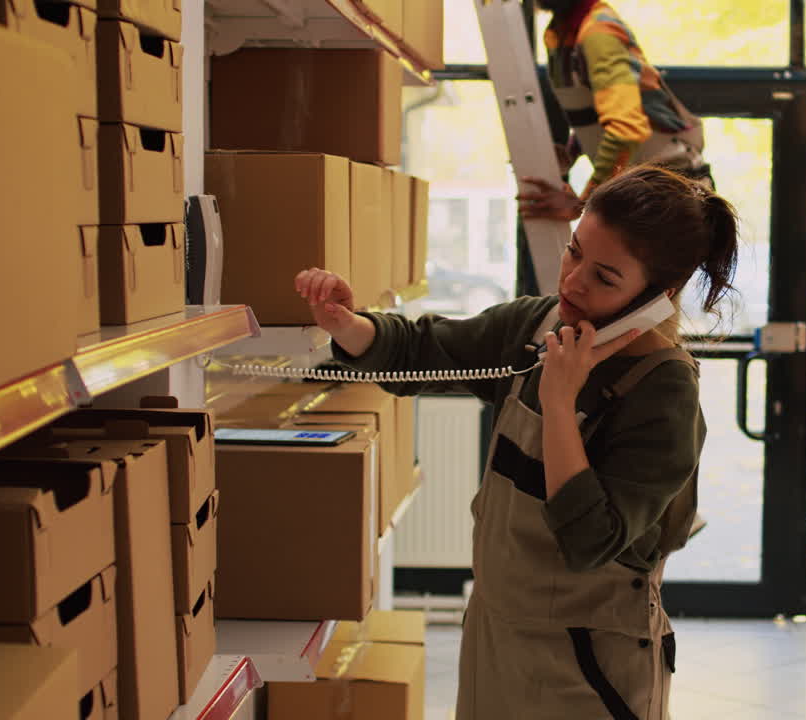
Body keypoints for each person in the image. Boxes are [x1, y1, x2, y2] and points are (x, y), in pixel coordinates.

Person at [294, 165, 738, 720]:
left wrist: (559, 404)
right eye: (574, 252)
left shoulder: (663, 390)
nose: (572, 282)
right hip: (497, 636)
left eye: (604, 278)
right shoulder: (537, 326)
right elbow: (424, 351)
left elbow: (590, 540)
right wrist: (345, 323)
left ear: (658, 297)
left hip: (590, 663)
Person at [518, 0, 712, 224]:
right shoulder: (561, 33)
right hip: (641, 189)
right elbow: (602, 110)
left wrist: (583, 204)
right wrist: (572, 151)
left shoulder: (598, 34)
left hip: (672, 197)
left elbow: (626, 128)